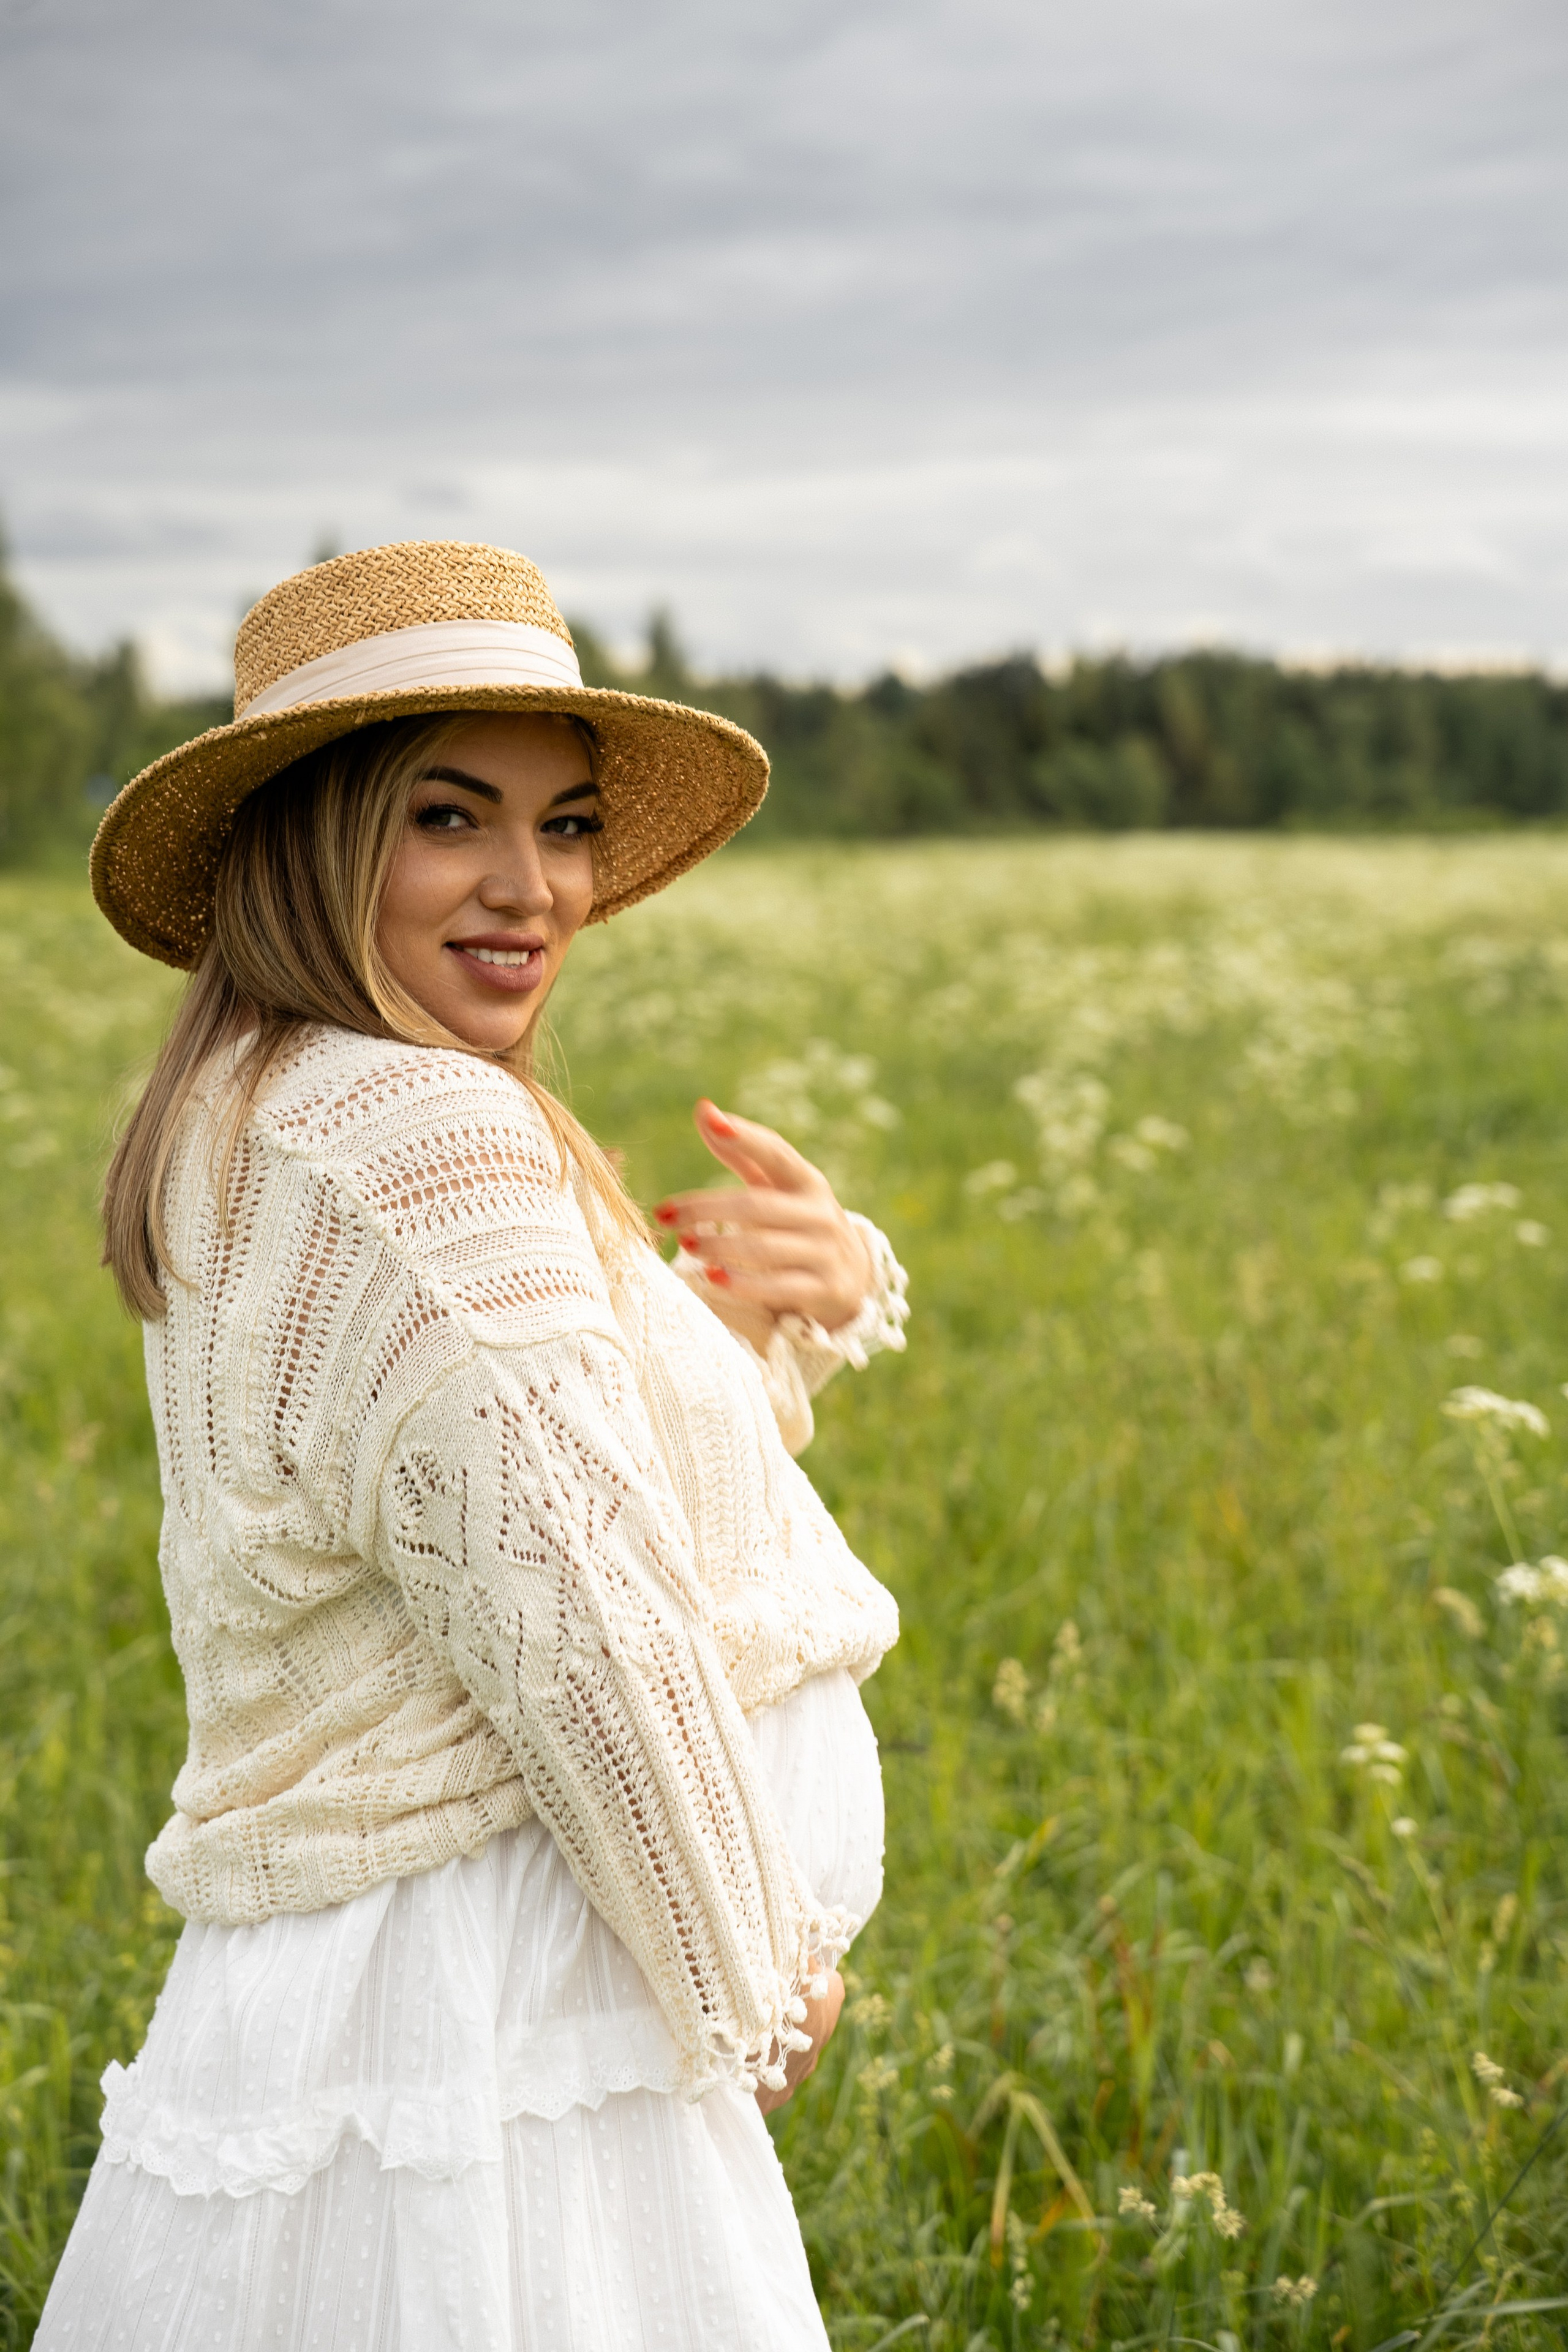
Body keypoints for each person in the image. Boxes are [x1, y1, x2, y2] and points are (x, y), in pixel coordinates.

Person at [35, 541, 907, 2352]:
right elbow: (585, 1626)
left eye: (569, 824)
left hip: (373, 2009)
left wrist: (781, 1319)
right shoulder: (422, 1135)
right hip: (501, 2020)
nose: (535, 889)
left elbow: (492, 1485)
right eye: (452, 818)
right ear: (315, 836)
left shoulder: (263, 1100)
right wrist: (755, 1982)